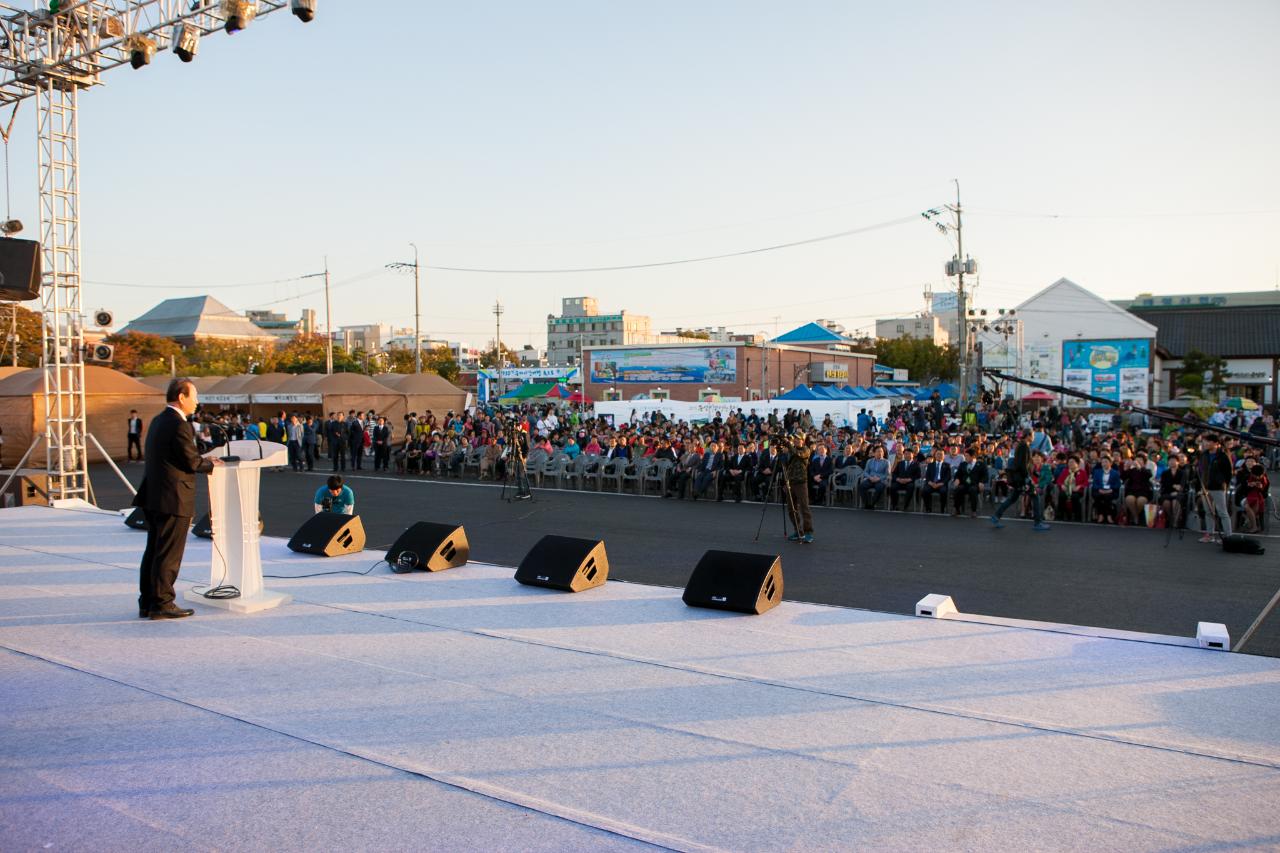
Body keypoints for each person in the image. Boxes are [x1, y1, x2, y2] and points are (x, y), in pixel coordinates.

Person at [132, 378, 221, 620]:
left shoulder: (159, 420)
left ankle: (148, 601)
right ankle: (163, 603)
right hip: (173, 498)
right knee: (168, 554)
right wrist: (210, 464)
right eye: (194, 396)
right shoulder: (180, 425)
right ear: (181, 397)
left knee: (154, 550)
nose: (197, 401)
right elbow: (190, 461)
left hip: (154, 496)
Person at [991, 431, 1050, 531]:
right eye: (1033, 435)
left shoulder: (1022, 445)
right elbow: (1022, 464)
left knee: (1012, 498)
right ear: (1028, 436)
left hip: (1020, 477)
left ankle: (996, 516)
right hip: (1022, 478)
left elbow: (1027, 463)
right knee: (1035, 497)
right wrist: (1027, 478)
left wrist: (1035, 473)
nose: (1034, 437)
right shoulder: (1024, 446)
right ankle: (1038, 522)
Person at [781, 432, 813, 543]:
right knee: (791, 509)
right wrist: (786, 482)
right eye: (794, 439)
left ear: (802, 441)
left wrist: (789, 445)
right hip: (791, 482)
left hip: (801, 483)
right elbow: (788, 466)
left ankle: (808, 532)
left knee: (804, 508)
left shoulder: (806, 450)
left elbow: (798, 454)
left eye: (798, 439)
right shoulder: (791, 450)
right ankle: (798, 531)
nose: (795, 440)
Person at [920, 448, 951, 513]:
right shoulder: (930, 465)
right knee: (925, 491)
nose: (939, 455)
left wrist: (940, 483)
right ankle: (928, 508)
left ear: (944, 456)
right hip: (931, 483)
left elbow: (948, 477)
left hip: (941, 484)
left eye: (941, 454)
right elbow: (927, 476)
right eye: (938, 454)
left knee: (943, 491)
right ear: (935, 455)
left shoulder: (947, 465)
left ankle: (942, 508)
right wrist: (930, 483)